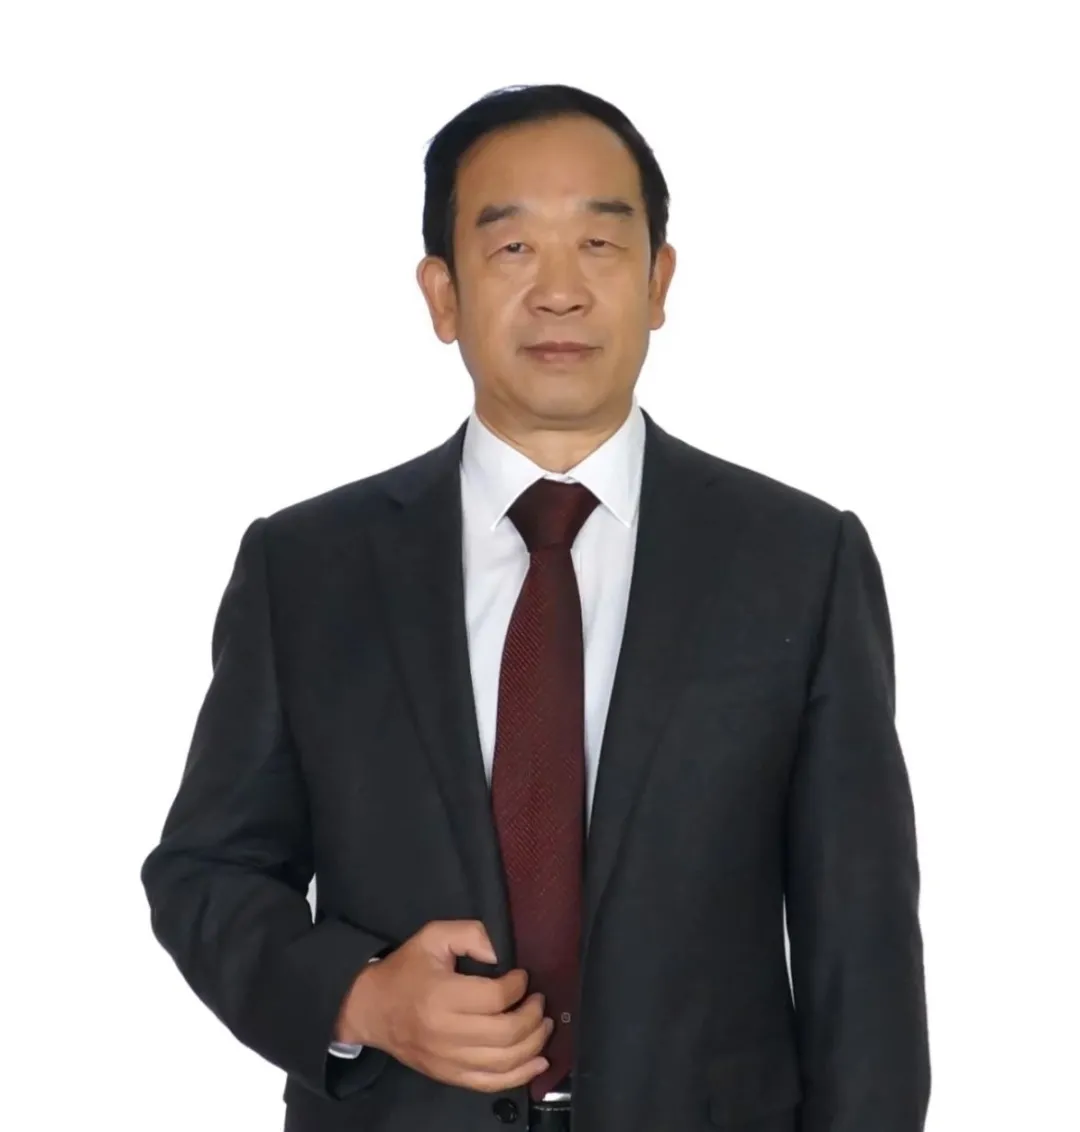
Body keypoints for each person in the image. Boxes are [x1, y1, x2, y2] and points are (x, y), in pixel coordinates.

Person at [141, 83, 931, 1132]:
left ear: (658, 281)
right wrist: (361, 998)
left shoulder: (799, 560)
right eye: (513, 248)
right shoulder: (307, 569)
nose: (560, 292)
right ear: (443, 295)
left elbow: (862, 952)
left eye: (600, 245)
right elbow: (209, 872)